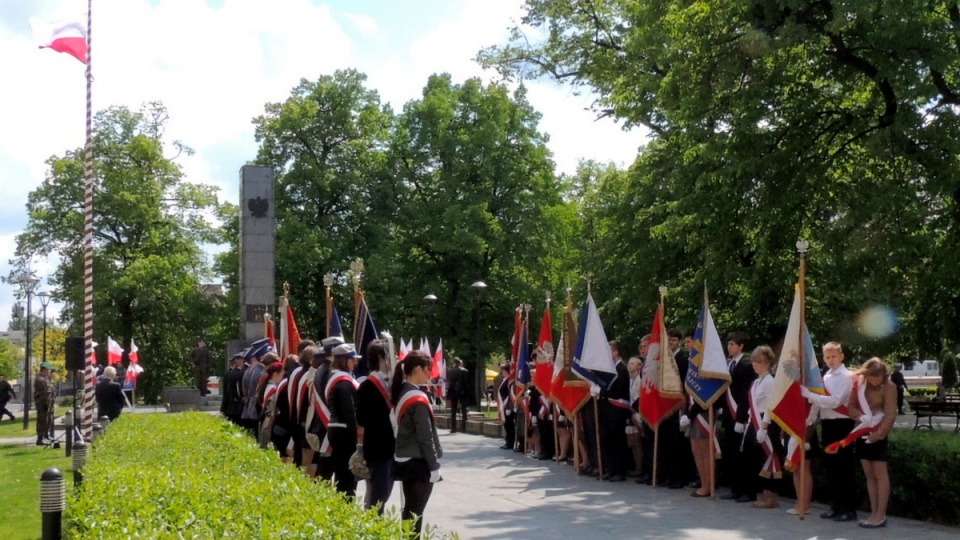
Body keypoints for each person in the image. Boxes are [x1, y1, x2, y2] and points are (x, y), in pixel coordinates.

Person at [800, 342, 857, 521]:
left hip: (843, 424)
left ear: (841, 356)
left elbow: (835, 401)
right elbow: (819, 403)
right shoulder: (825, 377)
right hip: (827, 424)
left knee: (844, 467)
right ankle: (835, 506)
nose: (830, 360)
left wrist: (809, 395)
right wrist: (810, 420)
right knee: (831, 468)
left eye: (834, 356)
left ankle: (848, 509)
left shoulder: (847, 376)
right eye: (827, 357)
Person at [391, 351, 443, 535]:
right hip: (418, 462)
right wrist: (434, 465)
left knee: (410, 512)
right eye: (428, 369)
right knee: (415, 514)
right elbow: (425, 436)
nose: (430, 373)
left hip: (406, 459)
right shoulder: (417, 399)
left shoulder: (402, 391)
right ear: (417, 369)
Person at [848, 357, 896, 529]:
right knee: (869, 475)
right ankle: (873, 513)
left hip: (878, 434)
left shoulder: (890, 387)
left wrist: (877, 435)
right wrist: (859, 416)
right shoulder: (860, 385)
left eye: (879, 377)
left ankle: (881, 515)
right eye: (872, 376)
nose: (875, 380)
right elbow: (851, 406)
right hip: (861, 431)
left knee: (880, 474)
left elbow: (890, 414)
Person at [356, 340, 395, 513]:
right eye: (390, 354)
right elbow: (362, 418)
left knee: (385, 492)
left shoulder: (394, 384)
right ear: (381, 357)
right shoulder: (366, 385)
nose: (394, 358)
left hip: (393, 447)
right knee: (378, 494)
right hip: (378, 447)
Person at [720, 331, 756, 500]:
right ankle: (735, 489)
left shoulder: (747, 365)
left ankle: (747, 491)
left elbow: (745, 394)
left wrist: (741, 418)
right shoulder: (728, 365)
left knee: (743, 455)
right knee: (732, 454)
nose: (729, 347)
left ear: (741, 346)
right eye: (728, 344)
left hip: (740, 416)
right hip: (728, 414)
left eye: (733, 344)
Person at [746, 345, 782, 508]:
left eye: (758, 361)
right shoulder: (756, 381)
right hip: (755, 420)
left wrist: (764, 427)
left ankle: (771, 495)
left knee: (769, 457)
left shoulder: (770, 381)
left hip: (766, 423)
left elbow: (770, 406)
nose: (755, 364)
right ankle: (764, 492)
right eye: (753, 361)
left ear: (767, 363)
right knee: (758, 458)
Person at [326, 343, 361, 497]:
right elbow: (350, 413)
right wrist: (358, 439)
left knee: (343, 476)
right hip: (344, 432)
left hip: (337, 430)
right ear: (345, 361)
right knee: (347, 477)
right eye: (353, 360)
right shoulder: (344, 383)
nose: (355, 363)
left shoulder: (337, 379)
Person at [34, 362, 56, 445]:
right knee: (42, 420)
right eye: (48, 370)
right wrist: (46, 403)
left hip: (48, 402)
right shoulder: (40, 379)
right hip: (42, 403)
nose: (50, 371)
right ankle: (40, 438)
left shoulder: (46, 379)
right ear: (45, 370)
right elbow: (43, 393)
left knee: (48, 419)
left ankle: (45, 436)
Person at [446, 357, 470, 433]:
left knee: (453, 410)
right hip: (462, 392)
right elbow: (467, 383)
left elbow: (449, 382)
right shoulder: (464, 371)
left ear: (454, 362)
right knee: (463, 410)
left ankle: (453, 428)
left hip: (453, 392)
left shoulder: (450, 371)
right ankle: (463, 428)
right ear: (460, 363)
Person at [496, 364, 515, 450]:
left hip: (507, 405)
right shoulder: (505, 380)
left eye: (502, 370)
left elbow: (510, 394)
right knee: (506, 425)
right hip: (504, 405)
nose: (501, 372)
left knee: (509, 425)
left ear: (506, 370)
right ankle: (508, 441)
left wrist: (509, 407)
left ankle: (510, 442)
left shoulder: (509, 380)